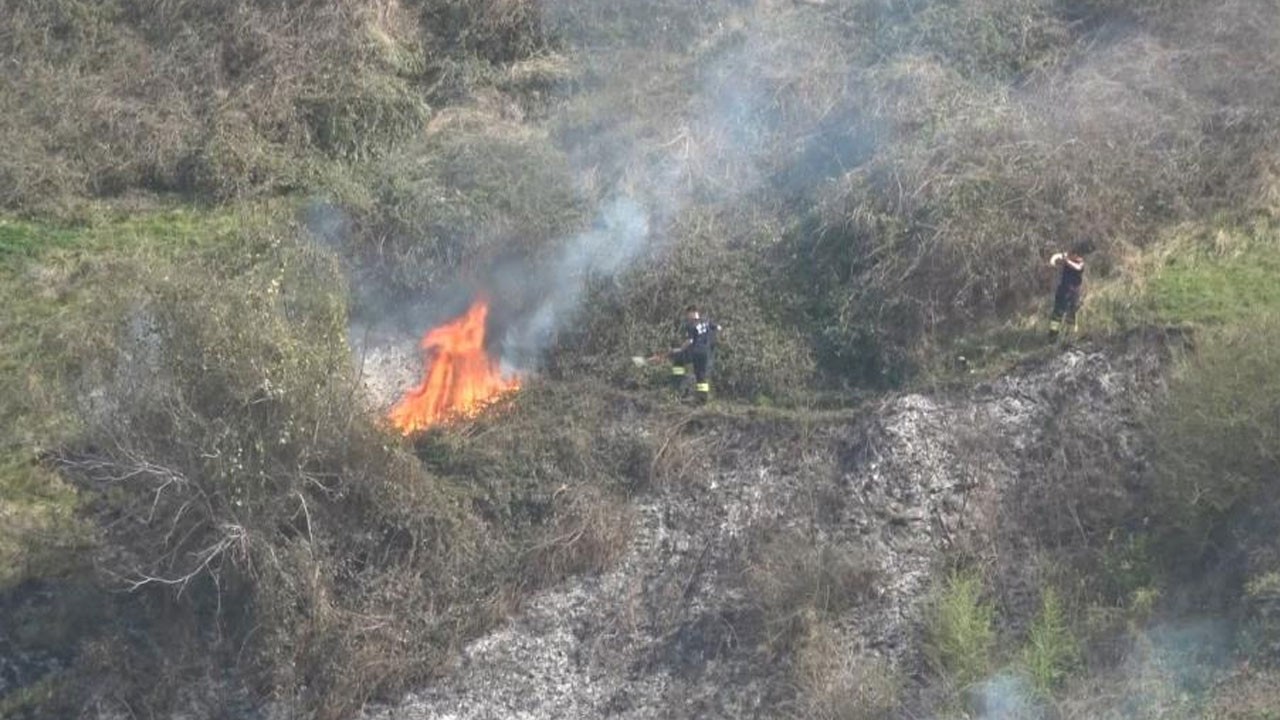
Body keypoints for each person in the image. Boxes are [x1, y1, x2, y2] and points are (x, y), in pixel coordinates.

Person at [666, 305, 720, 403]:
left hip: (696, 352)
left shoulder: (691, 325)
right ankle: (702, 398)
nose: (687, 317)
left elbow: (690, 341)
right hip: (706, 353)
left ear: (692, 313)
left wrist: (679, 349)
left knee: (678, 361)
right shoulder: (706, 321)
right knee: (701, 375)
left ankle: (678, 386)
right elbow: (718, 328)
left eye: (687, 314)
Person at [1048, 243, 1090, 338]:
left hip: (1074, 293)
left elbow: (1077, 267)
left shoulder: (1080, 264)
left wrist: (1066, 260)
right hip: (1063, 291)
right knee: (1057, 314)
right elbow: (1056, 256)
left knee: (1072, 314)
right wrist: (1053, 261)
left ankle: (1070, 336)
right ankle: (1053, 335)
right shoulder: (1068, 257)